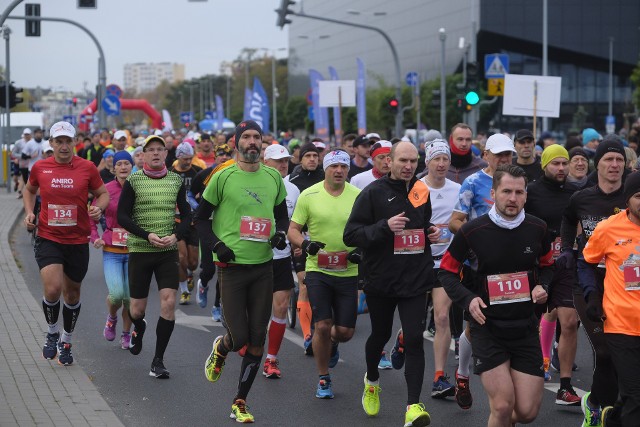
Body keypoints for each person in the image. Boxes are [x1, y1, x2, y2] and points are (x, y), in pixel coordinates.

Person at [439, 164, 554, 426]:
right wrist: (468, 299)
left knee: (526, 413)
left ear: (526, 195)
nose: (512, 198)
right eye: (506, 191)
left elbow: (548, 267)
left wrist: (543, 287)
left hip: (525, 329)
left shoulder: (538, 228)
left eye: (519, 192)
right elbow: (446, 272)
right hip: (488, 328)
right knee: (502, 406)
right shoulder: (472, 231)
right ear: (493, 193)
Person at [197, 120, 288, 423]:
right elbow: (200, 219)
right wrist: (216, 245)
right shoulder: (223, 177)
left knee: (257, 339)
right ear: (236, 143)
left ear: (262, 144)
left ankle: (240, 401)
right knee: (238, 338)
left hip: (263, 266)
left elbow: (280, 218)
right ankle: (221, 348)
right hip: (231, 267)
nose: (252, 142)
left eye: (256, 137)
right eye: (246, 137)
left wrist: (280, 235)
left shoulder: (274, 177)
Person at [344, 141, 437, 426]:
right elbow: (351, 235)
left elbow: (423, 224)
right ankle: (372, 379)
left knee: (413, 339)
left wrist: (428, 232)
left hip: (415, 277)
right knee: (380, 335)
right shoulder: (372, 193)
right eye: (403, 161)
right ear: (389, 162)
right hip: (381, 279)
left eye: (413, 161)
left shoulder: (421, 190)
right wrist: (384, 227)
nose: (409, 166)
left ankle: (413, 406)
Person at [22, 121, 109, 366]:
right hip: (49, 236)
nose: (63, 146)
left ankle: (67, 339)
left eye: (67, 141)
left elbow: (103, 194)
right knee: (52, 288)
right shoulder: (40, 167)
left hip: (78, 239)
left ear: (74, 143)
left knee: (72, 294)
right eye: (58, 141)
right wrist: (30, 213)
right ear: (50, 143)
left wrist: (98, 209)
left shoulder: (87, 168)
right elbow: (29, 190)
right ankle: (52, 332)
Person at [559, 136, 627, 426]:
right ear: (596, 164)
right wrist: (565, 250)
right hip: (586, 281)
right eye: (608, 159)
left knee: (618, 352)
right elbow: (566, 220)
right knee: (604, 349)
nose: (614, 165)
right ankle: (603, 407)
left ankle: (599, 403)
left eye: (619, 160)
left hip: (623, 284)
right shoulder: (581, 197)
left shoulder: (631, 198)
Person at [447, 133, 517, 410]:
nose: (504, 159)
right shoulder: (473, 183)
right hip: (478, 266)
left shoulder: (518, 183)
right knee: (475, 327)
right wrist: (475, 239)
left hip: (513, 266)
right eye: (499, 154)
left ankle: (513, 376)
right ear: (486, 154)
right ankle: (463, 375)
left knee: (513, 323)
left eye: (508, 154)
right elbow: (455, 221)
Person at [288, 150, 361, 400]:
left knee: (344, 332)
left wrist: (361, 249)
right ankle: (323, 378)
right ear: (325, 169)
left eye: (343, 166)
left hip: (348, 269)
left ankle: (334, 342)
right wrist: (305, 245)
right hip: (317, 268)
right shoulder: (309, 195)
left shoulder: (358, 196)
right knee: (322, 325)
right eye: (334, 166)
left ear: (348, 170)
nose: (339, 170)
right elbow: (294, 229)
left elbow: (368, 230)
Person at [117, 135, 191, 379]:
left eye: (161, 149)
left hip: (167, 252)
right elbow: (122, 217)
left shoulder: (175, 180)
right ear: (144, 154)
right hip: (140, 249)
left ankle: (158, 360)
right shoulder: (134, 180)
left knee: (169, 303)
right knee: (137, 310)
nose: (157, 153)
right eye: (151, 150)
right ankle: (139, 326)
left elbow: (188, 216)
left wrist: (175, 235)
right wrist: (146, 235)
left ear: (166, 155)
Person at [524, 145, 582, 405]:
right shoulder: (532, 192)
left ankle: (565, 386)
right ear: (544, 165)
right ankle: (533, 369)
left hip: (567, 265)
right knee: (529, 323)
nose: (561, 168)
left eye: (564, 163)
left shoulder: (576, 193)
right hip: (538, 265)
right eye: (555, 164)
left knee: (569, 322)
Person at [582, 171, 640, 427]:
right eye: (639, 196)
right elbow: (586, 263)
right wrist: (592, 295)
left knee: (632, 398)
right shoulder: (609, 228)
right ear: (628, 200)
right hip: (622, 324)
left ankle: (611, 419)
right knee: (636, 395)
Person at [420, 140, 461, 399]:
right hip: (417, 262)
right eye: (436, 159)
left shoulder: (458, 189)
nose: (442, 163)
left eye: (445, 159)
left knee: (442, 317)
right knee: (413, 320)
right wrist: (426, 233)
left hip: (445, 262)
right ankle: (402, 339)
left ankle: (438, 377)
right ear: (427, 162)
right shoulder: (416, 188)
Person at [261, 144, 300, 378]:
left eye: (286, 160)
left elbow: (295, 222)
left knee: (281, 307)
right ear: (266, 163)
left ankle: (271, 359)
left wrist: (297, 242)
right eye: (278, 161)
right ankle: (245, 342)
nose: (283, 164)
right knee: (255, 310)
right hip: (254, 257)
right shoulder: (254, 185)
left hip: (281, 257)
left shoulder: (294, 190)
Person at [90, 151, 134, 350]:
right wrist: (95, 236)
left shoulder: (139, 189)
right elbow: (91, 216)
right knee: (117, 295)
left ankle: (126, 334)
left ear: (133, 167)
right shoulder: (106, 190)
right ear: (113, 168)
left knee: (129, 298)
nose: (123, 167)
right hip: (111, 249)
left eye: (127, 163)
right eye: (120, 164)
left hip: (135, 250)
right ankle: (112, 317)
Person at [286, 142, 324, 353]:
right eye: (307, 155)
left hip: (324, 238)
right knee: (305, 284)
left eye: (315, 156)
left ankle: (322, 326)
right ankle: (308, 335)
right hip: (300, 237)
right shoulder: (293, 181)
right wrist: (296, 241)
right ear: (300, 160)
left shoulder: (327, 178)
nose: (311, 159)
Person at [170, 142, 203, 304]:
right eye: (185, 159)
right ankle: (184, 291)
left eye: (191, 158)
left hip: (193, 221)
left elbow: (207, 191)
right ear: (178, 157)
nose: (189, 162)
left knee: (193, 262)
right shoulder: (170, 173)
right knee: (181, 258)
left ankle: (190, 274)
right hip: (176, 221)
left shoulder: (197, 172)